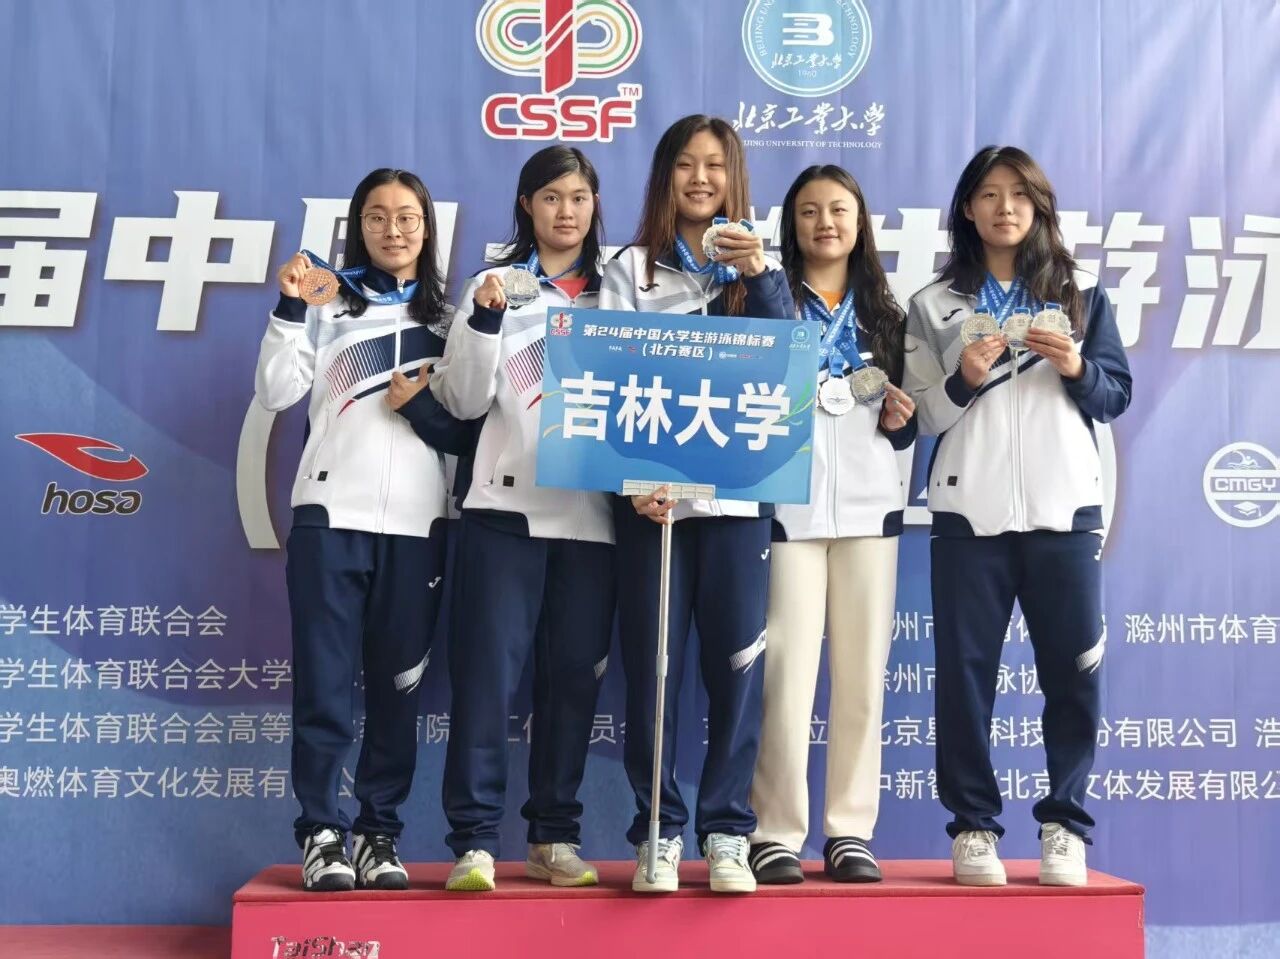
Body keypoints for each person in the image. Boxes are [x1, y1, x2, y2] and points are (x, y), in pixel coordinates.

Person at [902, 146, 1132, 887]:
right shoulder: (934, 303)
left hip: (1066, 512)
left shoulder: (1083, 293)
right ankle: (973, 827)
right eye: (990, 195)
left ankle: (1065, 824)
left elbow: (1115, 394)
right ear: (968, 209)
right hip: (968, 514)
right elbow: (914, 417)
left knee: (1074, 675)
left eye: (1019, 195)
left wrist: (1074, 366)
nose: (1005, 208)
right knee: (964, 679)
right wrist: (962, 380)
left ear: (1039, 206)